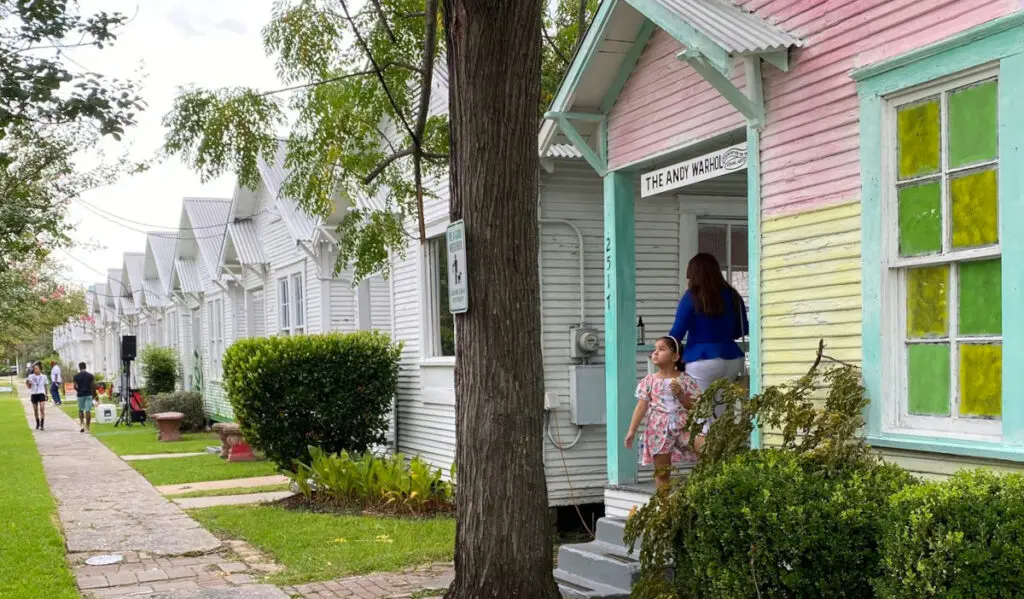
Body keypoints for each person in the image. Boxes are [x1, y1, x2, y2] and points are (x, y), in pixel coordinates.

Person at [669, 253, 749, 430]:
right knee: (722, 412)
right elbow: (741, 329)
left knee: (702, 414)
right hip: (732, 359)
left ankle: (706, 455)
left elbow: (676, 334)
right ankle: (723, 454)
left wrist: (664, 351)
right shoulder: (733, 295)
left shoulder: (691, 297)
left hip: (701, 361)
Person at [624, 336, 701, 490]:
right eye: (655, 350)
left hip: (684, 425)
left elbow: (695, 405)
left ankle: (703, 489)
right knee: (662, 472)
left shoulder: (685, 380)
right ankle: (663, 506)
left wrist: (680, 395)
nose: (655, 353)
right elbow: (641, 407)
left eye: (661, 349)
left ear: (675, 357)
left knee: (707, 450)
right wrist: (632, 431)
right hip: (658, 430)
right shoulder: (649, 381)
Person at [73, 362, 96, 433]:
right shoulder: (90, 376)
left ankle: (82, 424)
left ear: (79, 368)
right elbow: (93, 386)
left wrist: (78, 390)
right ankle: (88, 427)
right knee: (88, 411)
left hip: (80, 395)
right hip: (88, 394)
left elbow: (74, 386)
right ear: (85, 367)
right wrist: (94, 395)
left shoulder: (76, 376)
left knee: (80, 410)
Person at [25, 363, 48, 430]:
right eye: (34, 369)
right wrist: (27, 383)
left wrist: (46, 395)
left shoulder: (44, 376)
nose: (35, 370)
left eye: (37, 369)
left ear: (40, 369)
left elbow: (45, 386)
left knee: (42, 408)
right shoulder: (30, 376)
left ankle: (42, 424)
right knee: (35, 410)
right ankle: (37, 423)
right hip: (34, 394)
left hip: (41, 393)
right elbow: (29, 387)